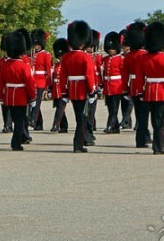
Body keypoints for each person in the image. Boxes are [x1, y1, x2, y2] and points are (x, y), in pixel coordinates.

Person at [135, 22, 164, 155]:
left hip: (148, 91)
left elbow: (139, 78)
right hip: (162, 91)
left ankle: (157, 145)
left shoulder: (143, 59)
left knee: (154, 119)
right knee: (159, 120)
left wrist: (140, 91)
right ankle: (159, 145)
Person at [60, 20, 98, 153]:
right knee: (82, 119)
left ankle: (79, 144)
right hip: (83, 90)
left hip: (72, 89)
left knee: (78, 118)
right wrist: (92, 91)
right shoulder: (86, 57)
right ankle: (78, 145)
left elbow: (62, 77)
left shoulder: (66, 57)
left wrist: (64, 92)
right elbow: (89, 76)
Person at [0, 31, 36, 151]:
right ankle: (16, 143)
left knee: (14, 119)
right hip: (21, 96)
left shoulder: (5, 65)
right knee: (19, 121)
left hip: (9, 95)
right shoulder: (24, 66)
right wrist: (33, 97)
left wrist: (1, 96)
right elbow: (29, 83)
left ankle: (16, 141)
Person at [122, 22, 149, 148]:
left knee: (139, 114)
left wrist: (125, 89)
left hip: (133, 86)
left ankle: (142, 137)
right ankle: (143, 138)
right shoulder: (145, 55)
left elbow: (125, 75)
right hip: (145, 86)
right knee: (144, 115)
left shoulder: (128, 56)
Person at [101, 32, 124, 134]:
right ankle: (116, 127)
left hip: (117, 86)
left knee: (114, 107)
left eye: (113, 48)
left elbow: (124, 73)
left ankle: (110, 125)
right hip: (107, 86)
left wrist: (124, 87)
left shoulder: (120, 59)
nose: (111, 50)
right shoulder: (105, 59)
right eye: (110, 48)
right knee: (110, 107)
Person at [30, 29, 52, 130]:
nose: (36, 46)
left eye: (38, 44)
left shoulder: (46, 55)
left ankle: (33, 119)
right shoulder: (32, 55)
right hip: (33, 81)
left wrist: (47, 86)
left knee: (37, 102)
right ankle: (39, 124)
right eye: (35, 44)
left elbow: (48, 71)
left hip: (41, 81)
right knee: (33, 102)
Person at [50, 38, 70, 132]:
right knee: (60, 108)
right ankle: (64, 126)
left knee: (60, 108)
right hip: (56, 90)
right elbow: (52, 78)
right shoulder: (56, 65)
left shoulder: (69, 65)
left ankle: (55, 125)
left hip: (64, 90)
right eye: (60, 55)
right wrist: (50, 89)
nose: (61, 57)